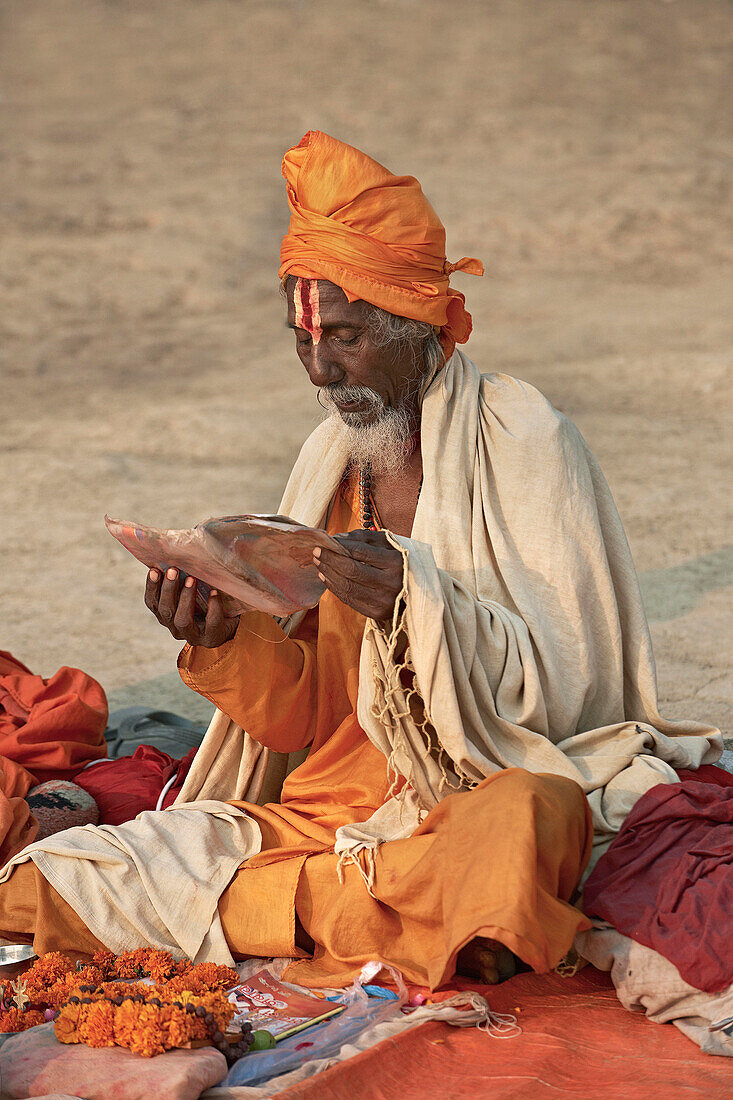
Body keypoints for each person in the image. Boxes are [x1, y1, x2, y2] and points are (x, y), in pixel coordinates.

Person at [0, 131, 720, 991]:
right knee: (46, 878)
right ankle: (379, 918)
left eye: (343, 337)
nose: (320, 370)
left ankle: (320, 913)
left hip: (469, 798)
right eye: (304, 343)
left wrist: (417, 605)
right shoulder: (328, 459)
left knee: (535, 817)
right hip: (324, 815)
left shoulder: (527, 438)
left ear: (414, 321)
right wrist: (226, 642)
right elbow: (307, 725)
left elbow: (574, 694)